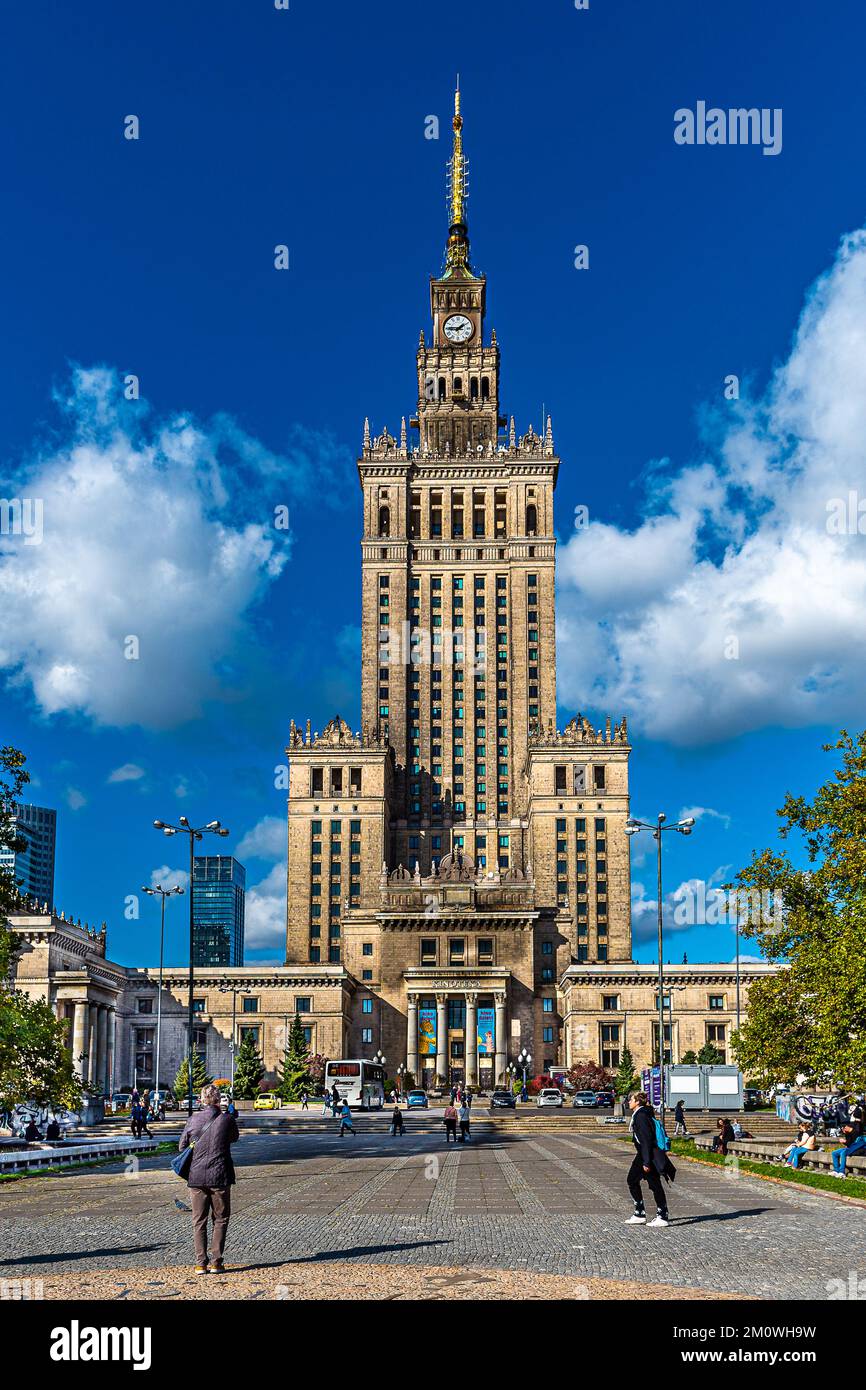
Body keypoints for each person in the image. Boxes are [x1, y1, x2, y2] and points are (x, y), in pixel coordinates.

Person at [178, 1083, 239, 1276]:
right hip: (219, 1176)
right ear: (218, 1099)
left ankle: (200, 1264)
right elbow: (234, 1138)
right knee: (220, 1219)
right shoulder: (226, 1119)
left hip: (196, 1177)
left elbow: (182, 1146)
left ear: (202, 1100)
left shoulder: (193, 1119)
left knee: (199, 1221)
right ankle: (216, 1262)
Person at [624, 1091, 675, 1228]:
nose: (629, 1102)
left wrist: (646, 1161)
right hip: (645, 1154)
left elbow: (646, 1140)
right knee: (650, 1183)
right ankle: (642, 1213)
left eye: (631, 1099)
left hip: (646, 1155)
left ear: (637, 1102)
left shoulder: (640, 1116)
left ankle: (659, 1215)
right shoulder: (644, 1113)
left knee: (640, 1182)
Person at [832, 1097, 866, 1178]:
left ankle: (842, 1172)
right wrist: (845, 1139)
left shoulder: (857, 1127)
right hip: (851, 1147)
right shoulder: (850, 1131)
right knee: (834, 1153)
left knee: (843, 1153)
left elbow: (857, 1136)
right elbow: (849, 1143)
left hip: (858, 1148)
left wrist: (849, 1132)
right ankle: (836, 1170)